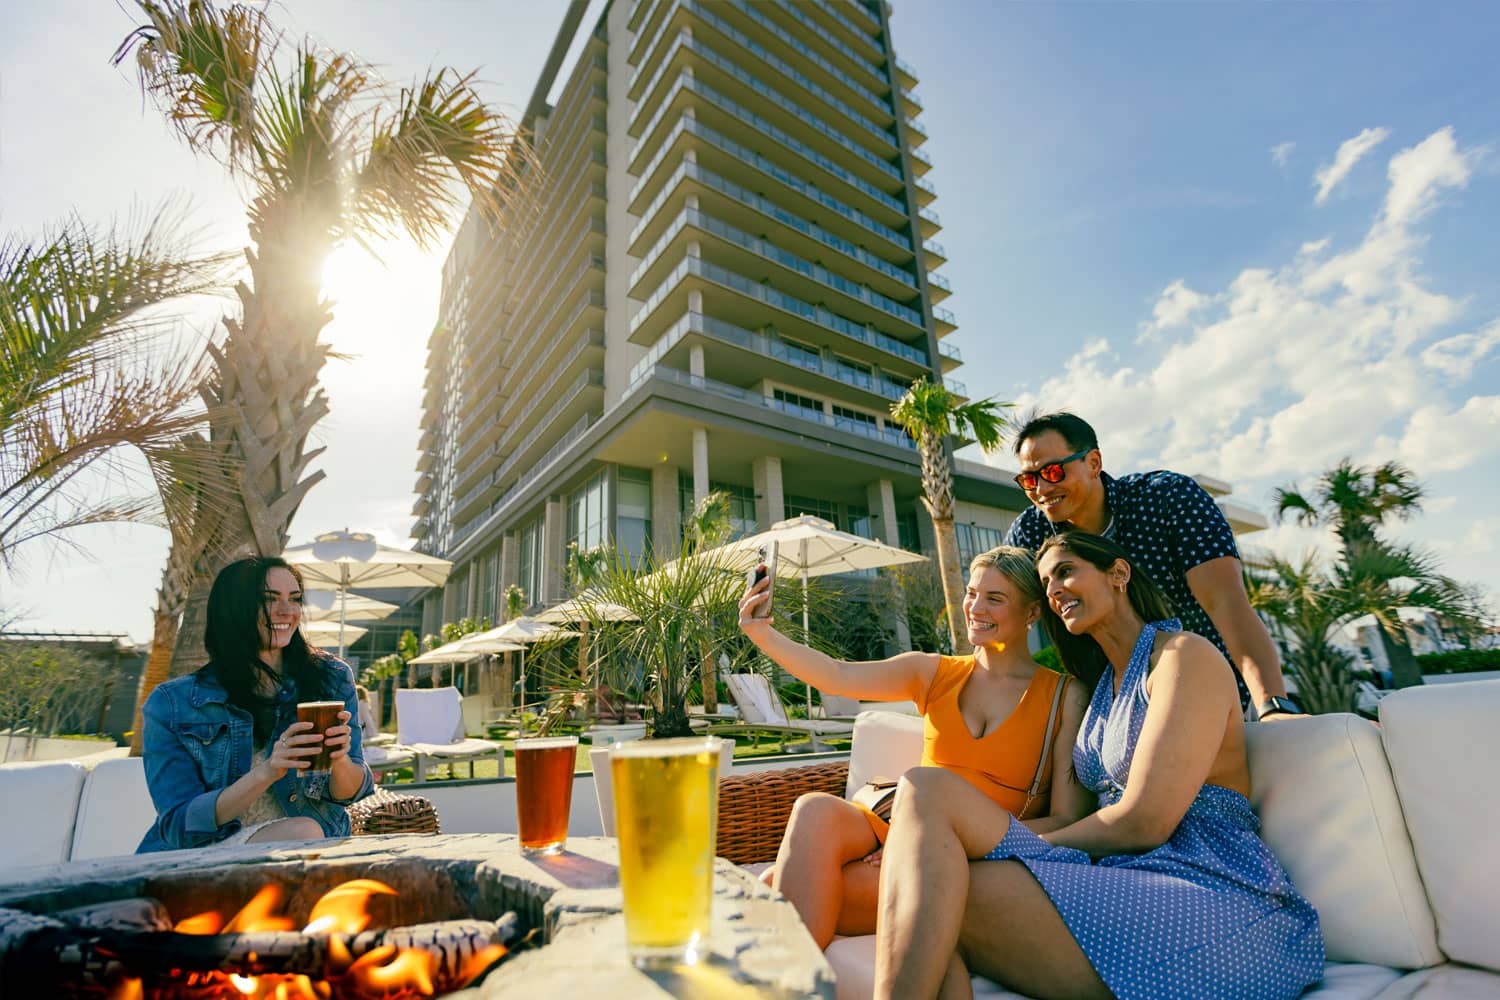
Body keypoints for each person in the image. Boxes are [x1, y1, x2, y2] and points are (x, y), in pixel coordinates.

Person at [873, 533, 1323, 1000]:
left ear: (1118, 574)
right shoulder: (1103, 684)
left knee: (927, 791)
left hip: (1211, 891)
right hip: (1124, 879)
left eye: (1066, 571)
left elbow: (1144, 823)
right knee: (936, 890)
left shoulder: (1183, 657)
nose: (1054, 590)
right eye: (1047, 582)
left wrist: (1007, 843)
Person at [737, 546, 1092, 949]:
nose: (976, 607)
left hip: (974, 845)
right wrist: (761, 633)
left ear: (1031, 613)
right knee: (813, 808)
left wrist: (935, 843)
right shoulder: (934, 673)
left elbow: (1067, 819)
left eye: (995, 598)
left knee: (783, 885)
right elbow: (836, 675)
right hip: (892, 818)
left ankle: (786, 974)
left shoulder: (1065, 695)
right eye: (972, 593)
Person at [1003, 411, 1300, 720]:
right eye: (1029, 479)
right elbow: (1006, 619)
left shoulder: (1167, 498)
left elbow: (1225, 601)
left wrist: (1273, 706)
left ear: (1093, 462)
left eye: (1052, 472)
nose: (1042, 489)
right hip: (1109, 709)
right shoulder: (1030, 534)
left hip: (1207, 692)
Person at [138, 557, 374, 852]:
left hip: (306, 848)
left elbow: (348, 794)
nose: (287, 610)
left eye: (295, 599)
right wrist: (267, 772)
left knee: (306, 831)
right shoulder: (173, 703)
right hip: (205, 853)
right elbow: (179, 825)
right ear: (233, 610)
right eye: (268, 599)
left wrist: (339, 759)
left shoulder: (330, 678)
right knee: (303, 831)